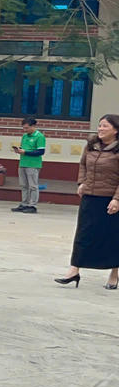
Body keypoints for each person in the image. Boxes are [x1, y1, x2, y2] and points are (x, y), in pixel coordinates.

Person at [55, 113, 119, 290]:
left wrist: (116, 199)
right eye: (99, 125)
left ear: (116, 130)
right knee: (83, 234)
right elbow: (82, 164)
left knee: (112, 236)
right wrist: (81, 182)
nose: (100, 129)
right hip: (90, 196)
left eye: (105, 126)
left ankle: (114, 272)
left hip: (110, 199)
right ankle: (74, 270)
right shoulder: (91, 145)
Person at [12, 116, 46, 213]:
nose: (25, 130)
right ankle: (24, 203)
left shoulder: (39, 136)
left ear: (33, 126)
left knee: (32, 185)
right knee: (23, 185)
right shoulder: (24, 136)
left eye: (27, 128)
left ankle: (32, 205)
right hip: (23, 163)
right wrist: (19, 150)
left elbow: (40, 152)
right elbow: (24, 148)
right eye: (23, 128)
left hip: (33, 164)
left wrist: (25, 152)